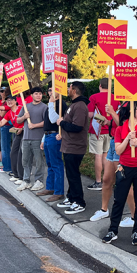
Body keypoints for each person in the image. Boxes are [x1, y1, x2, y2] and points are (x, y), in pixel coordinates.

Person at [102, 102, 137, 245]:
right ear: (131, 111)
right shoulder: (120, 129)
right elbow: (118, 151)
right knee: (119, 199)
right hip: (124, 168)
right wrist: (127, 139)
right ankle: (113, 230)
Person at [90, 102, 136, 227]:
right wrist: (107, 122)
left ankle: (134, 216)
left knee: (124, 182)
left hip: (122, 145)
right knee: (106, 179)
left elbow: (125, 125)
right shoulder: (123, 103)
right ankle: (104, 210)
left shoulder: (133, 103)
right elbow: (117, 122)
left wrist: (112, 112)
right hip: (113, 142)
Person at [55, 81, 89, 214]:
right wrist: (62, 133)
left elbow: (77, 127)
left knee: (73, 174)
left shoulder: (80, 106)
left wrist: (62, 123)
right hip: (68, 145)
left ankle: (79, 202)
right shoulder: (74, 105)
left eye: (69, 88)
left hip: (75, 147)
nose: (68, 90)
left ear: (74, 90)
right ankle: (71, 197)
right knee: (70, 173)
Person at [87, 78, 120, 191]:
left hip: (97, 131)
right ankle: (107, 180)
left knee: (98, 155)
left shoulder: (94, 97)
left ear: (100, 85)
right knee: (106, 155)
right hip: (111, 130)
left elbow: (91, 114)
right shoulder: (116, 98)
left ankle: (98, 182)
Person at [37, 82, 67, 202]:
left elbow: (53, 119)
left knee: (56, 164)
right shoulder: (51, 104)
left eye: (53, 90)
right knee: (49, 164)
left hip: (55, 136)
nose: (51, 93)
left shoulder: (60, 104)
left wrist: (50, 104)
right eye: (49, 90)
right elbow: (47, 124)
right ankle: (50, 187)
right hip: (48, 135)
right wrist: (43, 139)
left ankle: (59, 191)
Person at [16, 87, 47, 191]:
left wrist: (34, 125)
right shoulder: (26, 107)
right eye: (36, 93)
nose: (38, 95)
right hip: (26, 138)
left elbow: (46, 122)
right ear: (32, 95)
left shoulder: (44, 107)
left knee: (39, 161)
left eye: (40, 94)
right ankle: (26, 180)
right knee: (25, 160)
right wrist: (24, 117)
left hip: (38, 138)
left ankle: (39, 181)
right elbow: (18, 120)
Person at [0, 95, 24, 182]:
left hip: (25, 133)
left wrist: (22, 128)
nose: (9, 102)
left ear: (15, 101)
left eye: (11, 100)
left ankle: (22, 176)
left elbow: (28, 119)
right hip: (17, 133)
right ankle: (15, 174)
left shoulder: (21, 108)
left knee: (21, 154)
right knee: (13, 153)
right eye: (8, 101)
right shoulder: (9, 113)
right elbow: (1, 123)